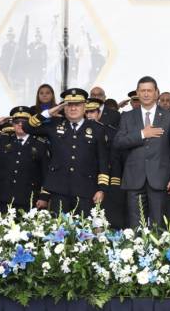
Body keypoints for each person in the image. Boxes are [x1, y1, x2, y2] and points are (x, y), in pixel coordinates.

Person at [24, 88, 109, 216]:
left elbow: (103, 160)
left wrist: (102, 189)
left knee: (84, 231)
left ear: (84, 107)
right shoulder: (54, 124)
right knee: (58, 230)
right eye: (69, 105)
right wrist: (48, 113)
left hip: (86, 190)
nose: (73, 108)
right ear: (63, 107)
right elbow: (27, 127)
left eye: (77, 105)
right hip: (59, 189)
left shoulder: (97, 129)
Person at [113, 76, 170, 227]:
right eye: (142, 90)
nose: (146, 94)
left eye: (149, 90)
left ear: (157, 92)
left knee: (159, 226)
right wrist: (142, 134)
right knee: (136, 226)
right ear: (137, 92)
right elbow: (118, 142)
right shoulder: (126, 116)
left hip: (160, 179)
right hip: (134, 179)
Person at [0, 106, 49, 211]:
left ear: (30, 123)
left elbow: (46, 172)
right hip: (3, 198)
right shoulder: (3, 140)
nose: (20, 124)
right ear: (12, 124)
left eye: (24, 122)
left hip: (29, 198)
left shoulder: (40, 143)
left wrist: (44, 197)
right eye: (16, 122)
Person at [85, 97, 126, 228]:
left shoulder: (110, 131)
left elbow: (116, 158)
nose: (90, 115)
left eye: (93, 111)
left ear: (99, 113)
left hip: (109, 177)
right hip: (87, 178)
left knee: (110, 217)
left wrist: (114, 180)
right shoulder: (77, 131)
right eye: (87, 112)